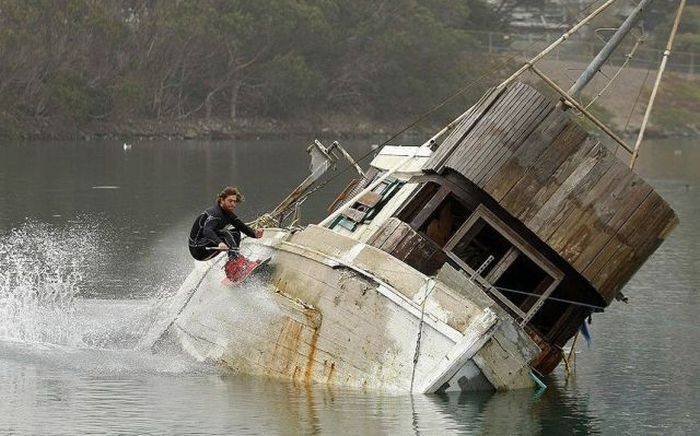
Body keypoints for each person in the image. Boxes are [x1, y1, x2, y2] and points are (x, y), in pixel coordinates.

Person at [188, 186, 263, 261]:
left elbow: (243, 227)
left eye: (235, 201)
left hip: (208, 243)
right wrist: (219, 242)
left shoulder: (229, 214)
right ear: (222, 200)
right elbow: (207, 231)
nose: (233, 204)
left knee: (236, 233)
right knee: (225, 234)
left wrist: (255, 234)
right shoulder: (215, 214)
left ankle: (233, 261)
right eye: (230, 201)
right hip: (197, 249)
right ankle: (236, 261)